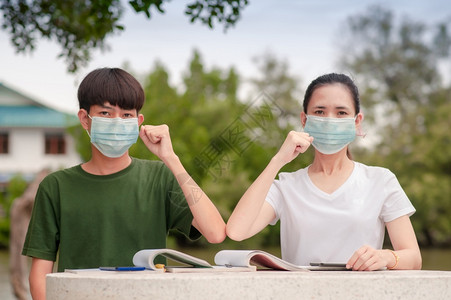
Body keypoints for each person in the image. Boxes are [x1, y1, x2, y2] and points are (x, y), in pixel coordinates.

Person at [22, 67, 226, 299]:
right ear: (84, 119)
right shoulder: (55, 186)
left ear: (138, 121)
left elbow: (215, 232)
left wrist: (171, 159)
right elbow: (40, 275)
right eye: (106, 113)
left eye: (126, 115)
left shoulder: (160, 177)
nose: (117, 122)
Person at [226, 73, 422, 271]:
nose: (329, 120)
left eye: (341, 113)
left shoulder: (381, 180)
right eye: (320, 112)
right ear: (304, 119)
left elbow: (413, 258)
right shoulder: (286, 186)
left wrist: (386, 257)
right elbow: (236, 231)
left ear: (357, 121)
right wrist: (277, 161)